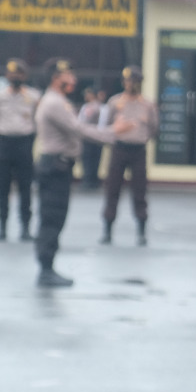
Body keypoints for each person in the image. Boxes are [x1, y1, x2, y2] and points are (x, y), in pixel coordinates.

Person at [33, 58, 121, 288]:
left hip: (58, 166)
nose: (73, 80)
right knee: (52, 218)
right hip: (55, 166)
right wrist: (113, 132)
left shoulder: (58, 101)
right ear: (56, 78)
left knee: (54, 217)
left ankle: (47, 267)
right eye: (68, 76)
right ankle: (45, 270)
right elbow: (78, 129)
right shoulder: (54, 103)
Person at [100, 66, 159, 246]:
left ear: (140, 83)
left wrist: (141, 137)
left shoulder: (148, 105)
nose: (130, 84)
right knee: (112, 189)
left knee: (140, 191)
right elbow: (107, 126)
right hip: (119, 149)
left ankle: (141, 230)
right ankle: (107, 229)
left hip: (138, 150)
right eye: (127, 81)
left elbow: (154, 128)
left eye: (134, 81)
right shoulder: (114, 102)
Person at [0, 58, 41, 240]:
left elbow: (37, 120)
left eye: (18, 74)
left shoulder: (33, 96)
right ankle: (2, 227)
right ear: (6, 75)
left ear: (25, 76)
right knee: (2, 187)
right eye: (12, 74)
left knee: (25, 188)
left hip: (24, 143)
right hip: (4, 143)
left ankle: (25, 227)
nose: (15, 77)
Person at [78, 87, 106, 190]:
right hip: (86, 137)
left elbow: (103, 122)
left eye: (88, 94)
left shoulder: (101, 107)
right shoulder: (85, 107)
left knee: (95, 159)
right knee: (86, 159)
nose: (86, 96)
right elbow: (80, 121)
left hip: (97, 137)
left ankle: (93, 180)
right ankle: (87, 179)